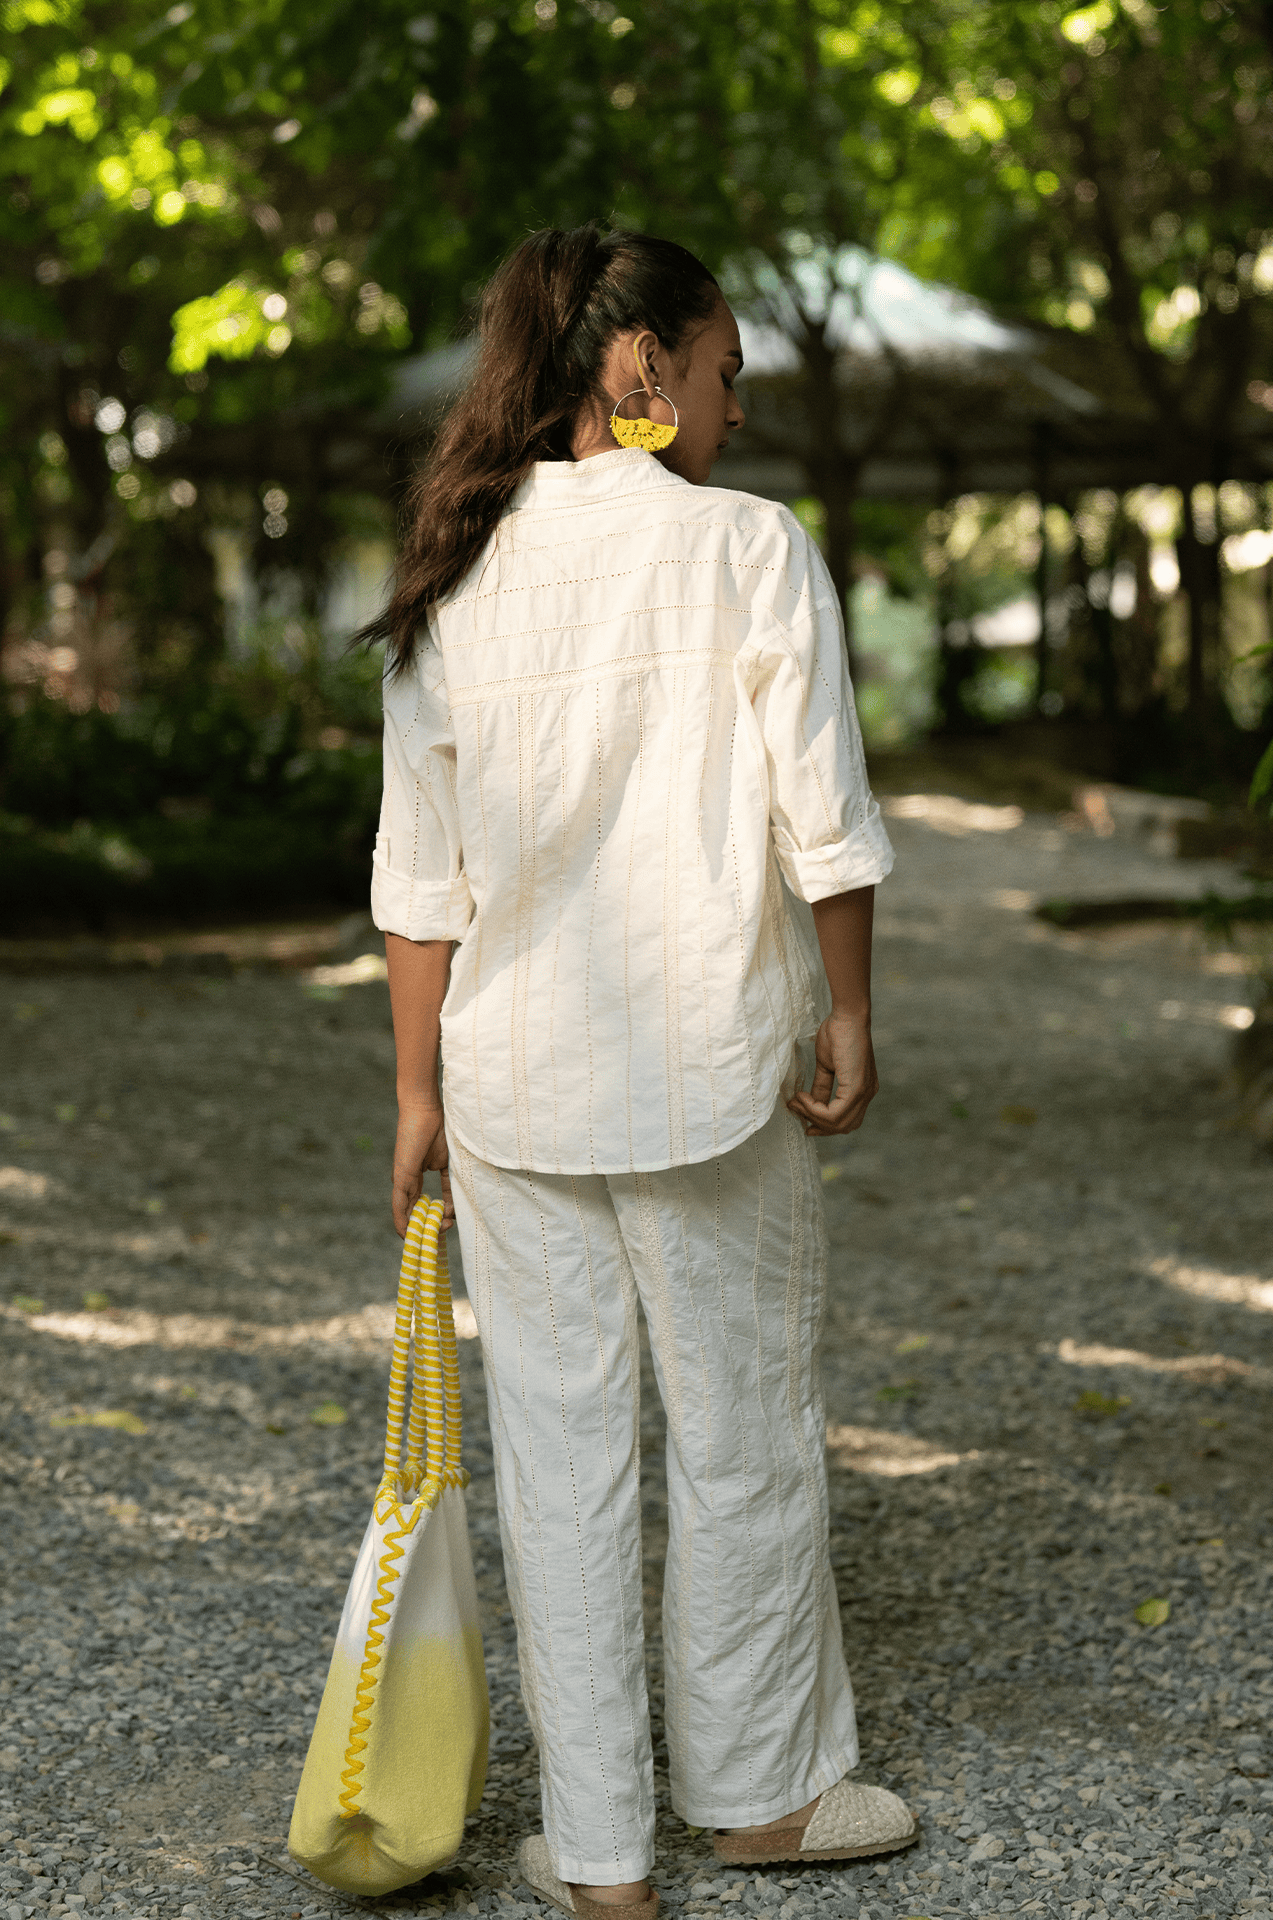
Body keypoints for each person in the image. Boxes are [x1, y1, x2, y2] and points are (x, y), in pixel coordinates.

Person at [368, 224, 915, 1920]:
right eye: (726, 369)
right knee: (743, 1437)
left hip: (514, 1085)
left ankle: (600, 1860)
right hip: (710, 1079)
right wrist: (851, 1015)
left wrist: (414, 1099)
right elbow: (823, 818)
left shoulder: (457, 571)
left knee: (560, 1458)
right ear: (639, 370)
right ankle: (756, 1802)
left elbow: (417, 877)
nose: (739, 407)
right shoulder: (749, 553)